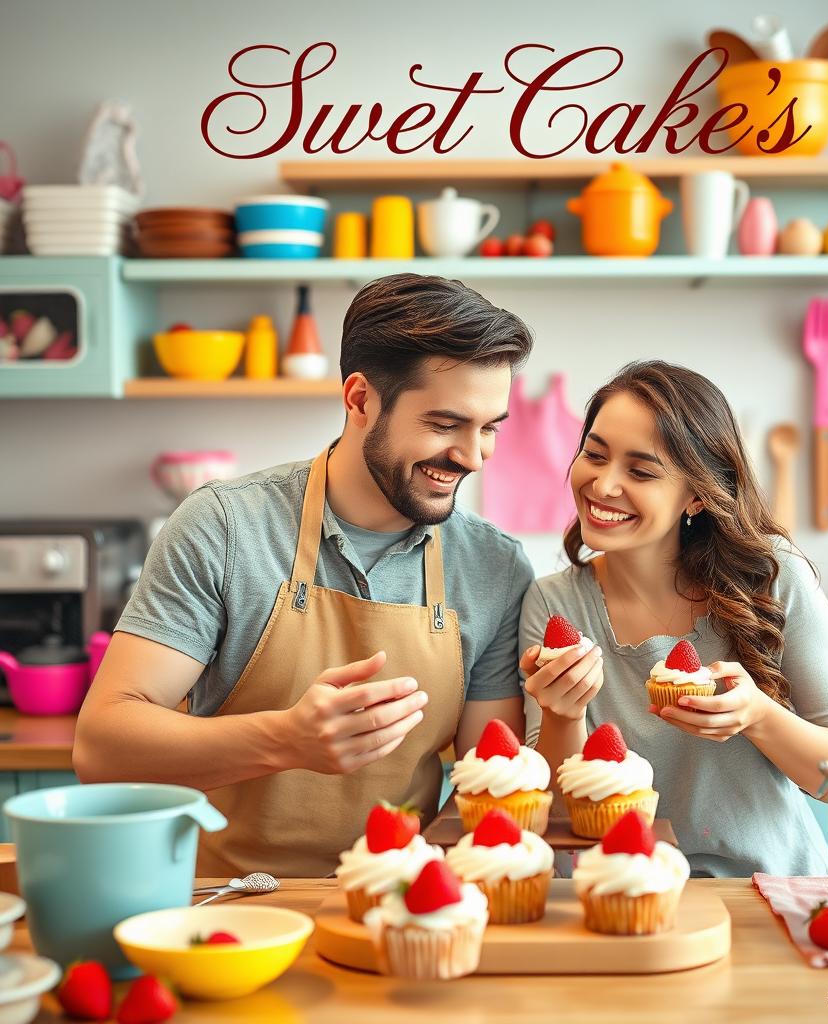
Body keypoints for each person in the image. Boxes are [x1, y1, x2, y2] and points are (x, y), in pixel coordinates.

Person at [74, 273, 558, 878]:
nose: (473, 456)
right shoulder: (224, 527)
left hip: (405, 907)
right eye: (444, 424)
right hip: (227, 898)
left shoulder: (494, 565)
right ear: (360, 400)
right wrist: (283, 740)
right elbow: (100, 747)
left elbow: (490, 789)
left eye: (489, 428)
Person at [519, 360, 828, 877]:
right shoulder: (553, 605)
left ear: (696, 495)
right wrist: (564, 716)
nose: (603, 485)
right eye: (594, 454)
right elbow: (555, 817)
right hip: (619, 899)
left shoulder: (771, 575)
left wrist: (759, 717)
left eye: (640, 471)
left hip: (766, 891)